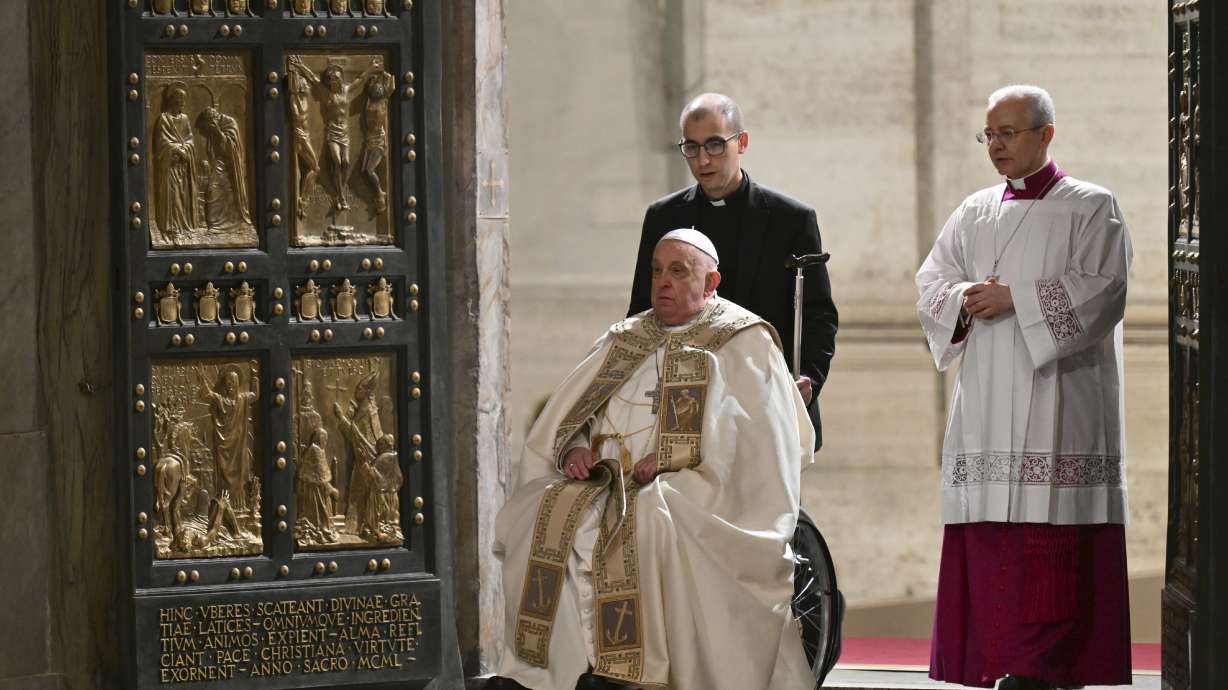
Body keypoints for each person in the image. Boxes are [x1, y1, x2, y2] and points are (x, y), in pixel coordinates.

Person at [490, 230, 814, 690]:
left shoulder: (743, 340)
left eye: (678, 271)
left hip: (695, 486)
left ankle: (636, 673)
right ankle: (542, 673)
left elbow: (756, 440)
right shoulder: (627, 337)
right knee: (542, 512)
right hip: (602, 483)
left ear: (711, 281)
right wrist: (575, 448)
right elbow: (572, 411)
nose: (662, 282)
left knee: (648, 519)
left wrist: (671, 461)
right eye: (657, 270)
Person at [916, 85, 1132, 690]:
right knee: (991, 542)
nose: (998, 145)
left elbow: (1105, 288)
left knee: (1050, 546)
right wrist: (963, 299)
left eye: (1009, 132)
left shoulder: (1092, 208)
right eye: (990, 134)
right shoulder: (974, 210)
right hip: (987, 398)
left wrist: (1018, 299)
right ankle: (992, 664)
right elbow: (932, 280)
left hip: (1059, 399)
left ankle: (1048, 670)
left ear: (1047, 134)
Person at [627, 93, 837, 449]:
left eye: (714, 144)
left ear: (742, 142)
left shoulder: (792, 220)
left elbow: (818, 315)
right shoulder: (664, 217)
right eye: (691, 147)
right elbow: (642, 310)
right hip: (686, 404)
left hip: (767, 404)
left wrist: (810, 380)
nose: (703, 159)